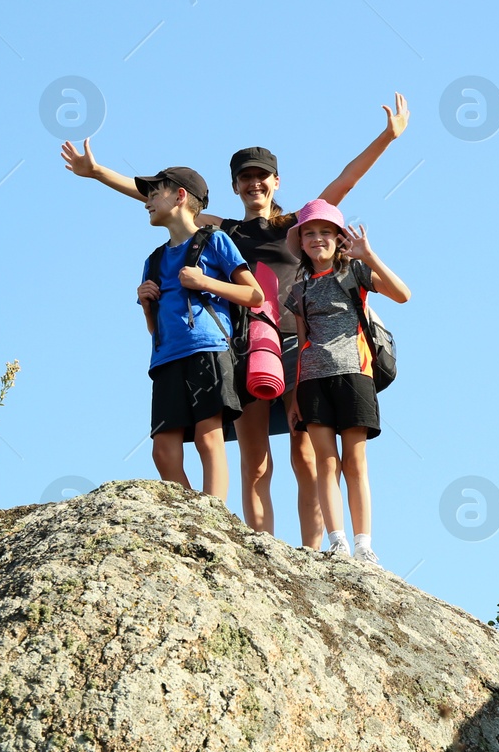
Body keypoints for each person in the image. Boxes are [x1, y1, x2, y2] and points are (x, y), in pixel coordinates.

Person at [61, 94, 410, 546]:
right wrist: (99, 172)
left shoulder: (298, 224)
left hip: (300, 344)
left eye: (261, 177)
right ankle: (261, 546)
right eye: (245, 178)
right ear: (236, 186)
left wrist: (387, 135)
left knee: (305, 455)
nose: (254, 185)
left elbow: (345, 182)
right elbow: (164, 201)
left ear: (276, 181)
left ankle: (314, 550)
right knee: (256, 457)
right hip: (246, 345)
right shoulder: (224, 230)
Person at [283, 200, 410, 566]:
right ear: (302, 242)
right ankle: (337, 540)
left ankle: (364, 544)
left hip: (355, 372)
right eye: (310, 233)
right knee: (326, 462)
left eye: (325, 232)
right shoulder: (300, 289)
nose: (317, 238)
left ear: (339, 238)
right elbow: (302, 340)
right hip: (312, 379)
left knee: (355, 461)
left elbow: (403, 295)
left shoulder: (354, 272)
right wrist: (293, 399)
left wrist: (369, 256)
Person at [132, 166, 264, 503]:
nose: (147, 201)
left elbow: (255, 295)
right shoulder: (154, 260)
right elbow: (154, 328)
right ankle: (190, 514)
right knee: (162, 450)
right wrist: (147, 306)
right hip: (165, 357)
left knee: (209, 438)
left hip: (209, 348)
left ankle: (213, 516)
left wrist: (204, 281)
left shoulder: (215, 240)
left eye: (153, 192)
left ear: (179, 196)